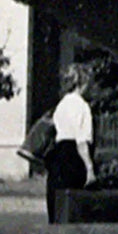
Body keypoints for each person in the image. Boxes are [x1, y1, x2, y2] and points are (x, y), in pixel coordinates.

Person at [45, 62, 96, 223]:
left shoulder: (60, 106)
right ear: (83, 83)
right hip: (74, 160)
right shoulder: (83, 107)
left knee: (57, 212)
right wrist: (90, 168)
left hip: (58, 158)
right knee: (75, 214)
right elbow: (81, 142)